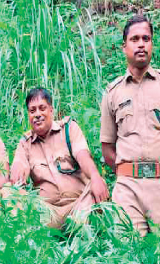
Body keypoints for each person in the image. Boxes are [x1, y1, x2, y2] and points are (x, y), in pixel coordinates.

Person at [100, 15, 160, 235]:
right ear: (124, 47)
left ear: (152, 43)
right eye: (134, 39)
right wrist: (127, 173)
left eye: (146, 38)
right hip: (127, 190)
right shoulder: (112, 93)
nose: (141, 44)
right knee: (126, 257)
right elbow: (107, 149)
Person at [11, 88, 109, 228]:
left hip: (79, 206)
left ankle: (80, 229)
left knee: (98, 183)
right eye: (32, 111)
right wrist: (18, 171)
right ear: (28, 115)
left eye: (42, 108)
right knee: (9, 191)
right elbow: (19, 164)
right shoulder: (25, 143)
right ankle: (35, 237)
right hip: (48, 213)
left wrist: (95, 176)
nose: (37, 114)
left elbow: (82, 155)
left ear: (51, 110)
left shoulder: (69, 129)